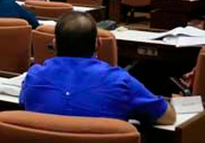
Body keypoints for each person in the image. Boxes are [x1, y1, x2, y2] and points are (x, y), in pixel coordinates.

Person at [20, 12, 176, 125]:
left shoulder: (34, 75)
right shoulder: (120, 80)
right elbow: (167, 117)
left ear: (54, 44)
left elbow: (24, 102)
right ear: (98, 44)